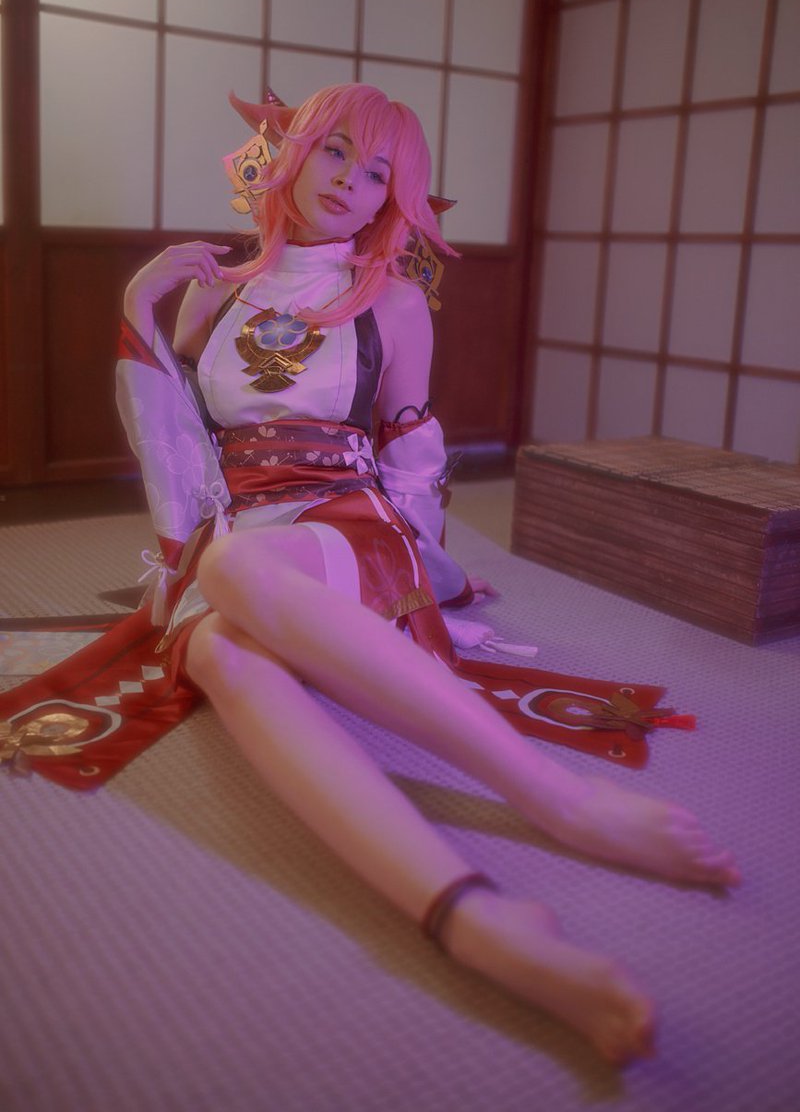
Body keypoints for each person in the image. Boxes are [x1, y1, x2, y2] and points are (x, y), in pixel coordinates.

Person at [54, 85, 747, 1063]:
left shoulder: (392, 300)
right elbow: (177, 441)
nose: (351, 182)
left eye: (377, 172)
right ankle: (472, 917)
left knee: (236, 581)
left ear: (394, 196)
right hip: (241, 524)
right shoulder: (213, 292)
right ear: (291, 152)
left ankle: (559, 800)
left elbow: (411, 454)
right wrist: (139, 301)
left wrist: (424, 573)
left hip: (348, 522)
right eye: (335, 151)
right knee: (218, 651)